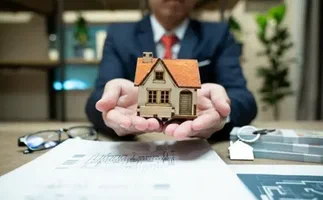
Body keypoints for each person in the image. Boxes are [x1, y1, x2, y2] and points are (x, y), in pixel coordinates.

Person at [85, 0, 257, 139]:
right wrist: (111, 111)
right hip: (139, 145)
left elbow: (243, 98)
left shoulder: (218, 34)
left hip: (198, 148)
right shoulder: (119, 34)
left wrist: (221, 114)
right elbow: (97, 98)